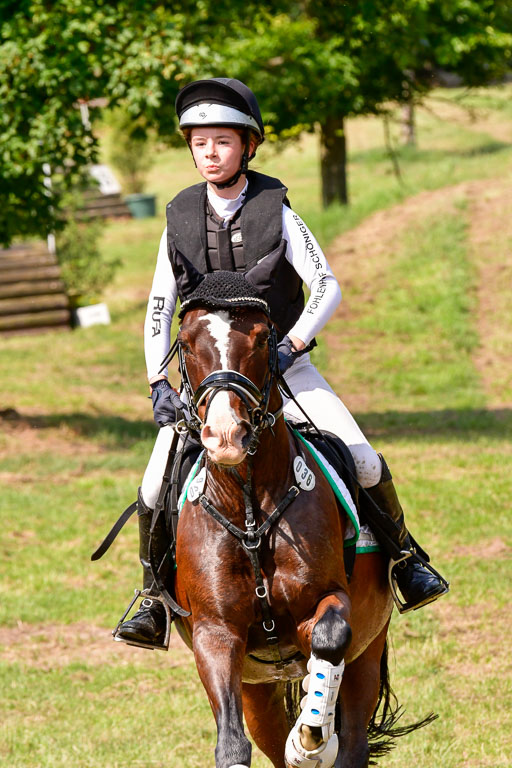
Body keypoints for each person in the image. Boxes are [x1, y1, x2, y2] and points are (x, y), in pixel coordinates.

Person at [117, 78, 448, 649]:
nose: (211, 153)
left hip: (283, 371)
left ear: (247, 146)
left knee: (363, 460)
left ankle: (406, 561)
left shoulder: (277, 209)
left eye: (222, 142)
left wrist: (294, 343)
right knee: (152, 485)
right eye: (200, 144)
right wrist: (157, 382)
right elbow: (158, 305)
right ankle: (150, 597)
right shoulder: (178, 217)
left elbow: (326, 285)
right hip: (208, 384)